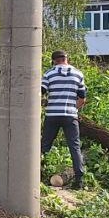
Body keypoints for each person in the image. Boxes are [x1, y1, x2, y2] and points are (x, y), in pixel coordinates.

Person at [40, 50, 87, 189]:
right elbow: (82, 98)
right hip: (70, 115)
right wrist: (74, 109)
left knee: (44, 146)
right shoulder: (78, 74)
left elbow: (40, 93)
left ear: (54, 60)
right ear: (67, 59)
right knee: (74, 146)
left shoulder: (49, 74)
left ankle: (37, 175)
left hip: (52, 115)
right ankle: (79, 180)